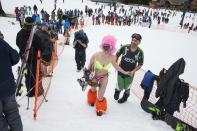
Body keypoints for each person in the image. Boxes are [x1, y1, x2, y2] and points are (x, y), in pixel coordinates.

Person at [86, 35, 130, 116]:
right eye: (104, 46)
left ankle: (100, 108)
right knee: (93, 90)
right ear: (102, 46)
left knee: (100, 95)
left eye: (108, 47)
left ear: (112, 47)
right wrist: (87, 75)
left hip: (104, 77)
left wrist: (125, 72)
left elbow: (117, 67)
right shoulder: (96, 55)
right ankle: (91, 100)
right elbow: (89, 67)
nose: (106, 49)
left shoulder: (113, 58)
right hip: (95, 77)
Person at [16, 17, 52, 97]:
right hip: (32, 59)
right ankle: (32, 92)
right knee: (33, 74)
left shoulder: (20, 33)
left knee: (27, 74)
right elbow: (41, 47)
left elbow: (17, 43)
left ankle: (30, 90)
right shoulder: (33, 36)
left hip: (23, 58)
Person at [0, 37, 23, 131]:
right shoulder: (1, 43)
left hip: (7, 84)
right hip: (7, 85)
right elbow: (15, 57)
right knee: (13, 113)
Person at [114, 33, 144, 104]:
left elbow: (140, 64)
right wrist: (116, 64)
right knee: (119, 84)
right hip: (121, 71)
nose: (133, 42)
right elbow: (117, 55)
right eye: (132, 40)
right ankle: (117, 91)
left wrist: (133, 71)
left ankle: (125, 97)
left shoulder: (140, 52)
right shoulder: (125, 47)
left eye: (135, 40)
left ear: (139, 42)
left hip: (130, 74)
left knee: (127, 87)